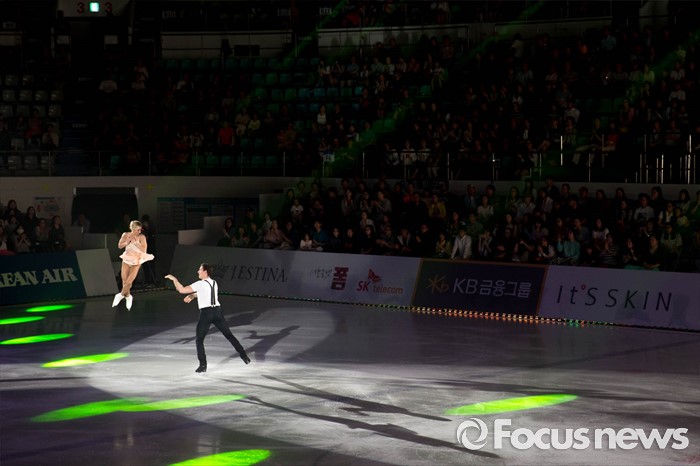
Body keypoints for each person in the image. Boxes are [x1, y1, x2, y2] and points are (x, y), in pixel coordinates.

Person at [165, 263, 251, 373]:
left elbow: (181, 290)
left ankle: (203, 365)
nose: (198, 271)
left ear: (205, 272)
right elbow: (205, 293)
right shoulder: (214, 283)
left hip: (206, 314)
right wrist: (193, 295)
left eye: (200, 269)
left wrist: (174, 279)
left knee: (199, 340)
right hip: (218, 313)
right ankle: (244, 356)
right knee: (229, 335)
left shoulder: (200, 284)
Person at [113, 220, 154, 310]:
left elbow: (144, 250)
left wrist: (136, 243)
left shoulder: (142, 237)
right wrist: (127, 242)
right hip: (127, 258)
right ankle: (128, 296)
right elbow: (119, 246)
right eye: (137, 230)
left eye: (140, 230)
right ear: (132, 228)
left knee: (129, 282)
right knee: (124, 281)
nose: (139, 231)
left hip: (137, 260)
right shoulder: (125, 234)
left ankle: (120, 295)